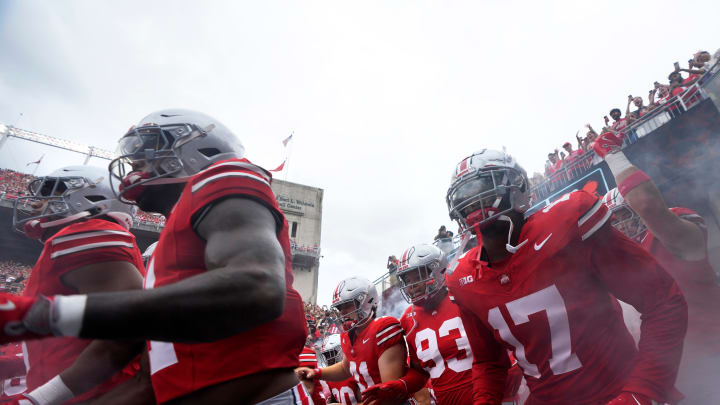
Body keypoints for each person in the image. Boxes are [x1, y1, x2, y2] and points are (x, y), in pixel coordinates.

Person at [9, 110, 310, 404]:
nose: (135, 163)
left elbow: (257, 285)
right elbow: (147, 382)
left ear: (197, 150)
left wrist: (61, 313)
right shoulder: (172, 255)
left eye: (147, 150)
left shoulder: (223, 177)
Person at [443, 149, 687, 404]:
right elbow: (489, 362)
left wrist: (643, 391)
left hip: (618, 390)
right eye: (465, 197)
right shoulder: (462, 278)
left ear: (515, 188)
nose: (473, 203)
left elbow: (663, 302)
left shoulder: (568, 223)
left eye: (482, 188)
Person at [595, 133, 720, 404]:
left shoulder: (674, 234)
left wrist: (614, 156)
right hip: (669, 381)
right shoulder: (617, 268)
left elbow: (650, 207)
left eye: (624, 217)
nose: (620, 229)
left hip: (713, 363)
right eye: (612, 224)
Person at [9, 165, 147, 404]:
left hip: (94, 395)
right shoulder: (81, 238)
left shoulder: (90, 231)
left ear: (90, 200)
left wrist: (41, 398)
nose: (35, 204)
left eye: (49, 194)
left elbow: (130, 327)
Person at [396, 243, 522, 405]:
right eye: (407, 280)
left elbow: (506, 344)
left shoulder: (465, 294)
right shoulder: (408, 318)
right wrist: (400, 385)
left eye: (418, 276)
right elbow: (420, 372)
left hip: (494, 397)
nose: (411, 287)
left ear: (438, 271)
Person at [296, 276, 424, 405]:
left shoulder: (383, 328)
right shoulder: (348, 336)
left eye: (348, 305)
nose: (342, 312)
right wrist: (316, 372)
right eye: (340, 308)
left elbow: (389, 394)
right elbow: (345, 369)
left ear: (368, 302)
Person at [317, 334, 361, 405]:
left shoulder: (354, 371)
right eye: (326, 355)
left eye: (331, 354)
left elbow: (369, 402)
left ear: (342, 351)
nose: (328, 359)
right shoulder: (331, 377)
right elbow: (335, 399)